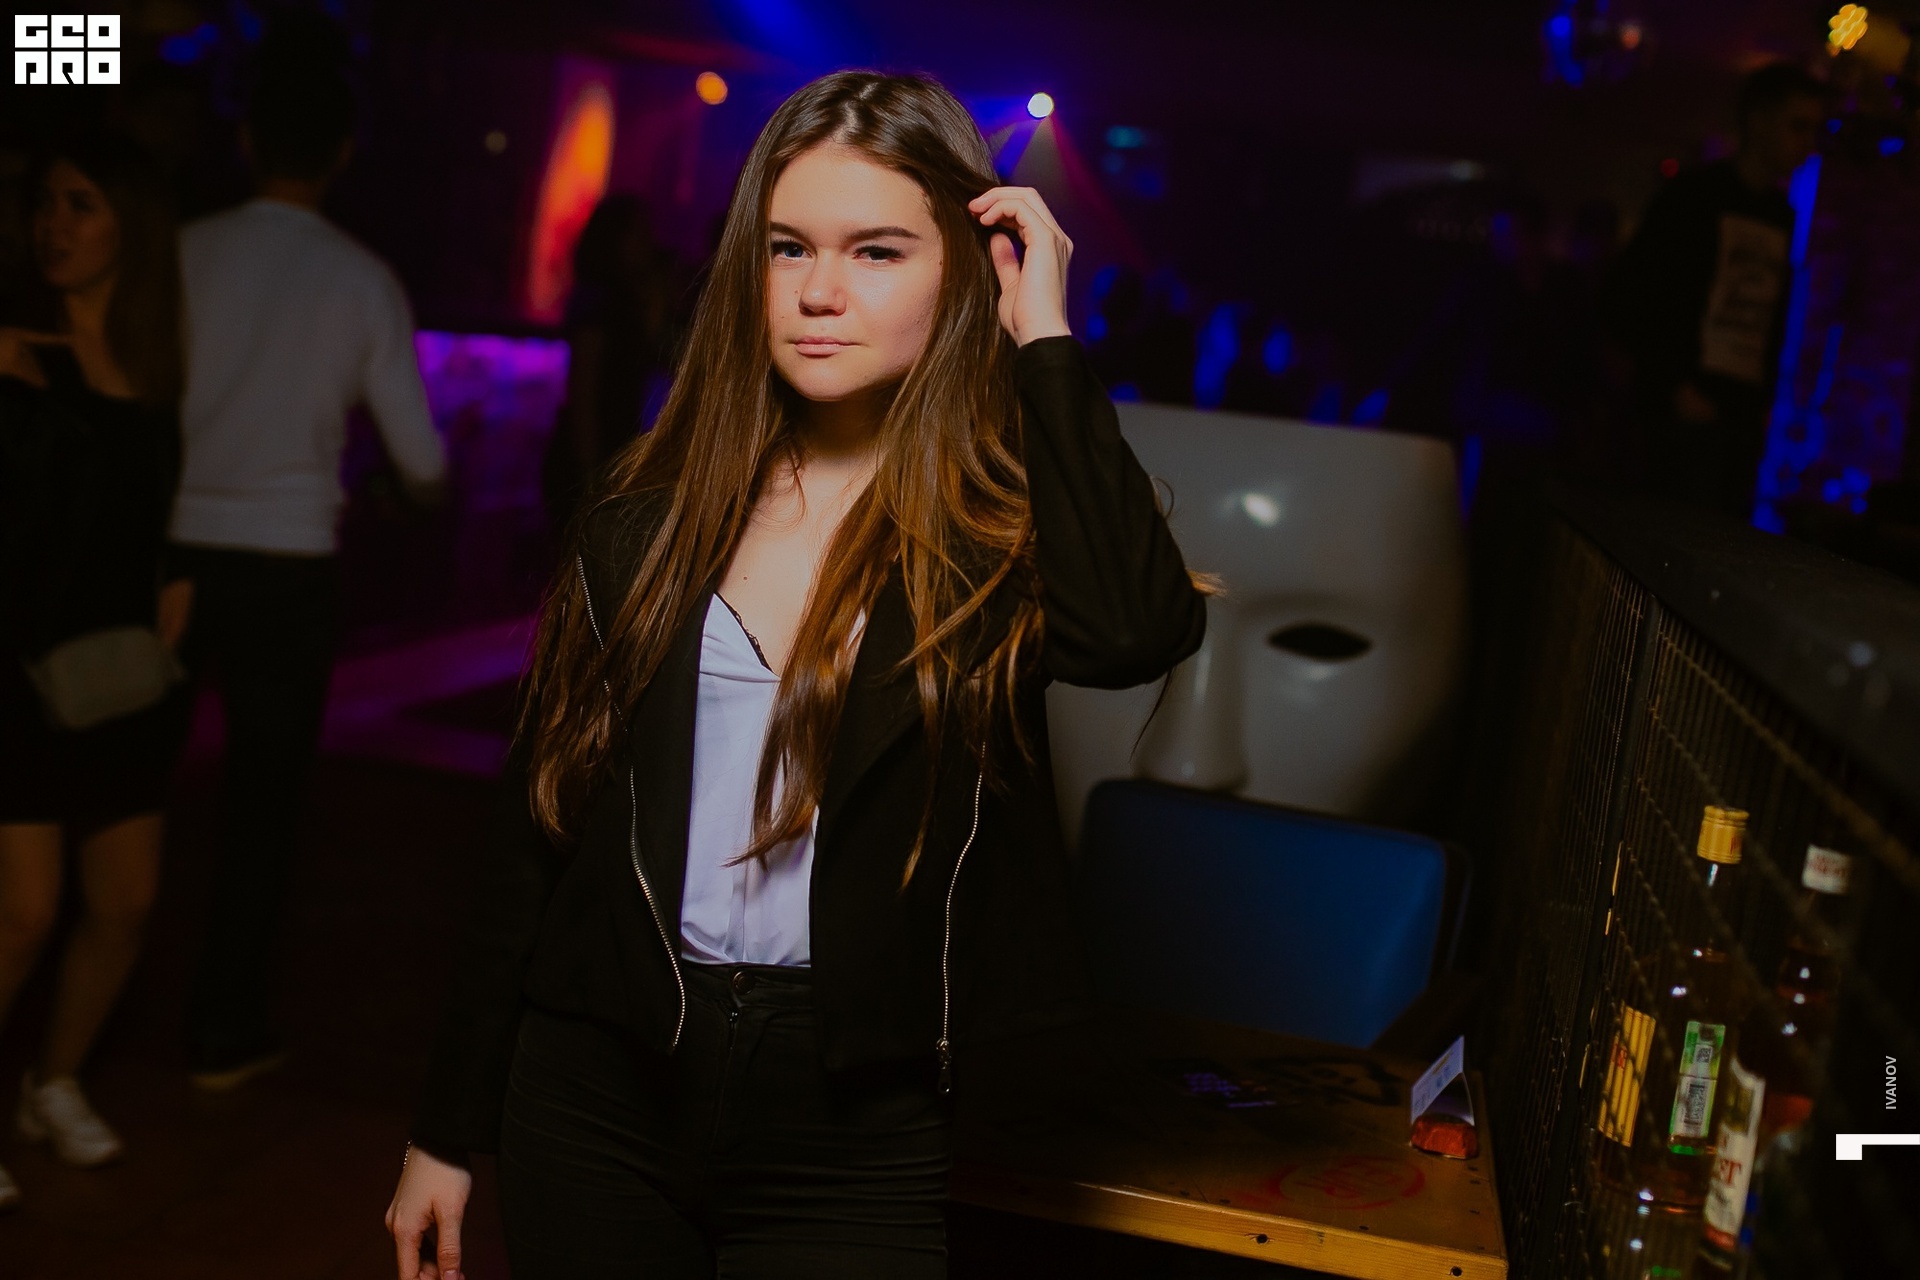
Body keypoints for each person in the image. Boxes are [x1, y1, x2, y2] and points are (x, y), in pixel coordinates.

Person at [386, 71, 1209, 1279]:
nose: (821, 291)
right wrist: (445, 1127)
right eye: (789, 248)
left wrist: (1043, 333)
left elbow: (1135, 630)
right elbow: (533, 836)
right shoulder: (643, 519)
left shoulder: (990, 548)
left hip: (853, 1125)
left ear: (963, 270)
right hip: (598, 1094)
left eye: (877, 250)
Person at [169, 55, 447, 1091]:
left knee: (122, 790)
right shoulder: (361, 278)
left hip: (168, 554)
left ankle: (76, 1003)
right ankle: (223, 1026)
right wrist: (399, 494)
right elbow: (422, 463)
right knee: (263, 803)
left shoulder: (181, 251)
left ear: (246, 140)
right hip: (288, 563)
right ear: (343, 154)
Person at [0, 132, 191, 1210]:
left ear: (132, 224)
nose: (53, 225)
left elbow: (140, 510)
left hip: (120, 673)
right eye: (45, 204)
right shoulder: (15, 353)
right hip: (19, 673)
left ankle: (55, 1083)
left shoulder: (154, 370)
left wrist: (179, 581)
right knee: (24, 912)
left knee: (124, 903)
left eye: (80, 204)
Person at [1606, 62, 1825, 518]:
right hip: (1682, 414)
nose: (1808, 143)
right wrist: (1673, 385)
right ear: (1758, 121)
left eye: (1813, 129)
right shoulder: (1694, 197)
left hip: (1737, 419)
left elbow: (1773, 315)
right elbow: (1632, 293)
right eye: (1797, 126)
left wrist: (1760, 404)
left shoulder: (1781, 216)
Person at [542, 194, 683, 526]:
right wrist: (588, 469)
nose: (650, 242)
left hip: (621, 444)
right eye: (640, 233)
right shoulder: (598, 304)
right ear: (616, 239)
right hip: (595, 448)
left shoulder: (634, 300)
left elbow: (663, 359)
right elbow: (583, 390)